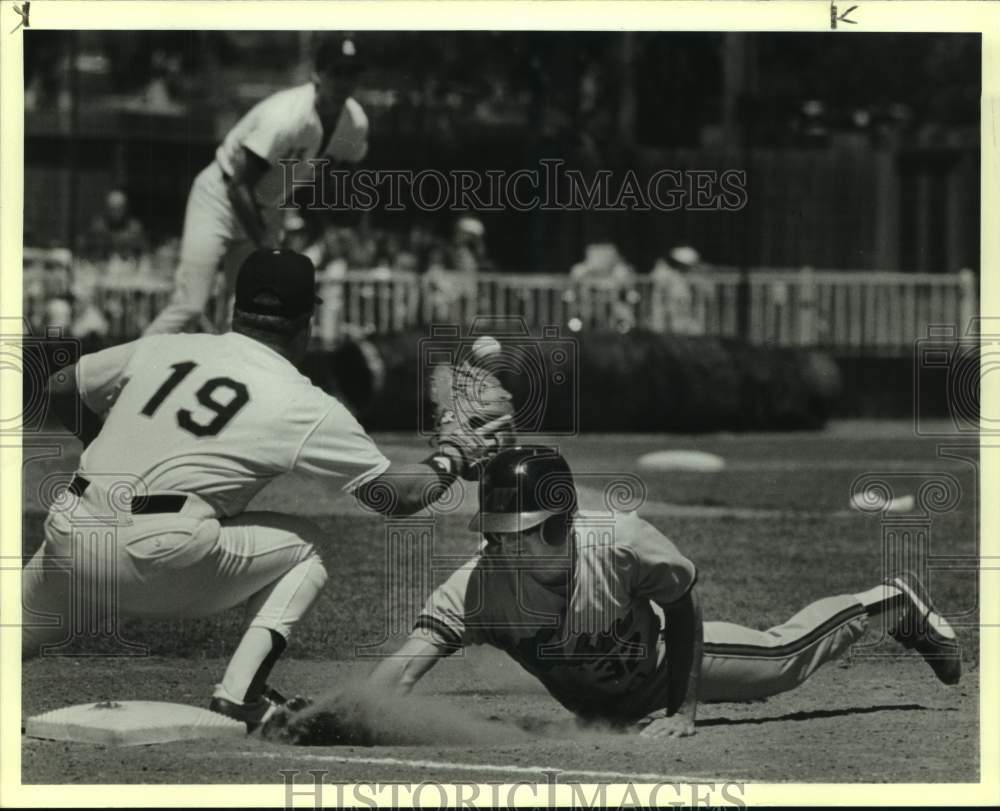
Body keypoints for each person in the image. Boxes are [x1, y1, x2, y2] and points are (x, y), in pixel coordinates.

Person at [23, 248, 511, 731]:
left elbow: (63, 382)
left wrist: (102, 440)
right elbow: (396, 496)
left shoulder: (165, 347)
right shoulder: (300, 400)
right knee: (309, 548)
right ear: (307, 322)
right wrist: (452, 455)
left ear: (234, 309)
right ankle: (240, 697)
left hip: (69, 534)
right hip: (158, 556)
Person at [358, 445, 961, 739]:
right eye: (494, 533)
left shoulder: (619, 542)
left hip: (665, 664)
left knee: (781, 660)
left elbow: (683, 603)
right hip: (610, 703)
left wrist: (682, 710)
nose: (503, 547)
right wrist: (341, 719)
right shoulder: (476, 589)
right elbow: (403, 671)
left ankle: (893, 600)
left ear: (563, 522)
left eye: (521, 533)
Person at [143, 36, 369, 336]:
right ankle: (131, 373)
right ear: (318, 74)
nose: (344, 81)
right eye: (337, 71)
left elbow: (337, 178)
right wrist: (266, 242)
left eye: (352, 72)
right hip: (219, 199)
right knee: (190, 306)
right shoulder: (286, 116)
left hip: (268, 206)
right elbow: (239, 185)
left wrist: (324, 221)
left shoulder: (355, 122)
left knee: (243, 315)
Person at [78, 189, 149, 263]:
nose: (116, 212)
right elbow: (83, 251)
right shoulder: (97, 227)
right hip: (101, 269)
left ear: (125, 208)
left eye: (120, 208)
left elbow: (144, 253)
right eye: (113, 208)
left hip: (129, 269)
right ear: (107, 208)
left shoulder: (135, 228)